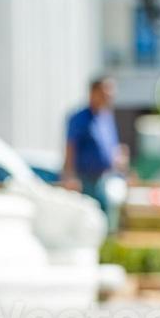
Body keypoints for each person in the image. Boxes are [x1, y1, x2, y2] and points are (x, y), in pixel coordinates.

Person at [62, 76, 127, 232]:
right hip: (84, 179)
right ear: (94, 92)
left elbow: (112, 147)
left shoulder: (106, 117)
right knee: (87, 222)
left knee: (107, 222)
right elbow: (71, 148)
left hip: (105, 178)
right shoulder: (79, 118)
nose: (110, 96)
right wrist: (70, 176)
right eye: (106, 92)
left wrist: (121, 161)